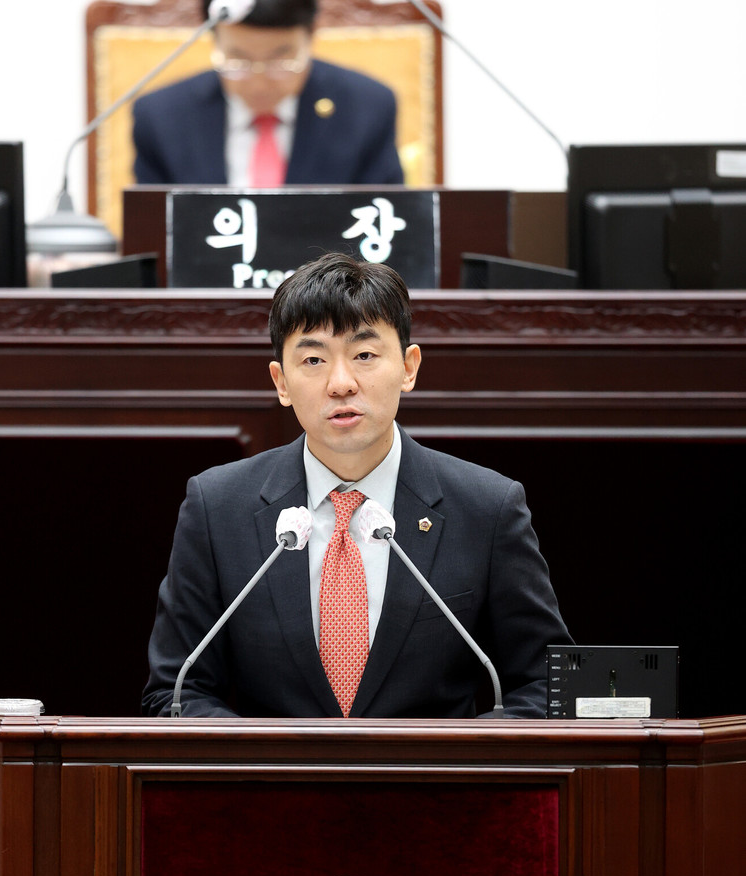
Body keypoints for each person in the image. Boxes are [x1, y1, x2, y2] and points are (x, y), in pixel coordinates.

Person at [143, 252, 572, 719]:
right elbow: (176, 693)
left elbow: (548, 686)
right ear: (281, 382)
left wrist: (457, 754)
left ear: (408, 367)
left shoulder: (487, 507)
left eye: (364, 355)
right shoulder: (217, 507)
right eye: (313, 359)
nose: (341, 383)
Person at [132, 0, 404, 188]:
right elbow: (154, 225)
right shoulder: (160, 117)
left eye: (280, 60)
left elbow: (387, 218)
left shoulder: (367, 108)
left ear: (311, 35)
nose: (259, 83)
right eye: (238, 60)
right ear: (214, 40)